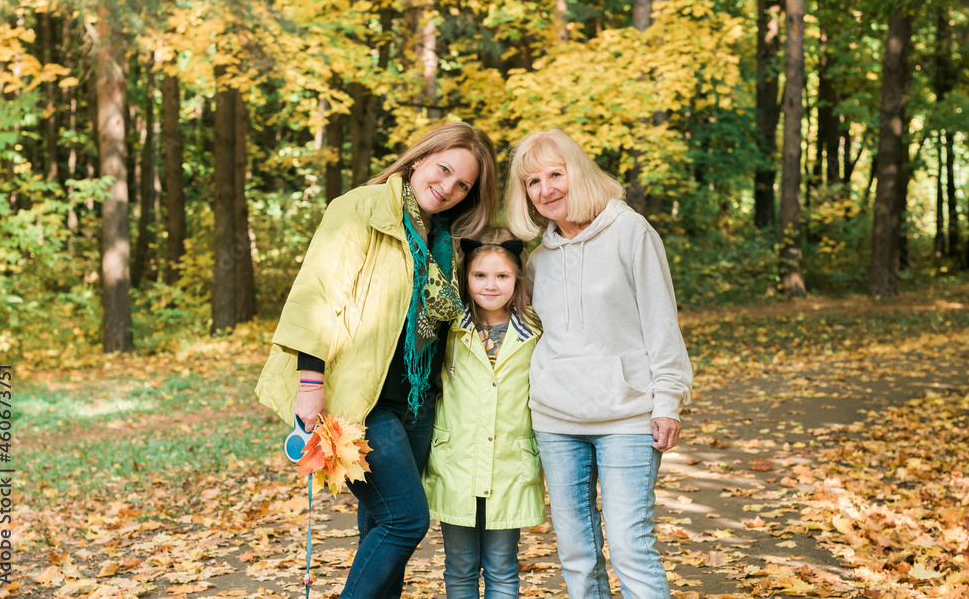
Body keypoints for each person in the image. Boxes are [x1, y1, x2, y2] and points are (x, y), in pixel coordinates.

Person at [255, 122, 498, 598]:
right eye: (443, 169)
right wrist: (309, 382)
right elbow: (317, 296)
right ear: (418, 160)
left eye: (462, 184)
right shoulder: (358, 209)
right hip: (360, 401)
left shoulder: (447, 239)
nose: (447, 186)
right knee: (405, 520)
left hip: (418, 400)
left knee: (379, 527)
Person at [505, 129, 693, 599]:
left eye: (555, 174)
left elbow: (661, 323)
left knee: (631, 545)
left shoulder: (632, 232)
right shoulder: (535, 260)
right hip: (555, 420)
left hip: (627, 418)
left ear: (578, 172)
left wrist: (668, 401)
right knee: (576, 553)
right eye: (532, 182)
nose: (545, 190)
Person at [422, 227, 545, 599]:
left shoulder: (536, 330)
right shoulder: (450, 329)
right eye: (480, 275)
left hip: (510, 466)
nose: (491, 285)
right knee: (458, 569)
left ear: (517, 278)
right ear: (466, 277)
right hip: (456, 464)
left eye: (502, 276)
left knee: (503, 569)